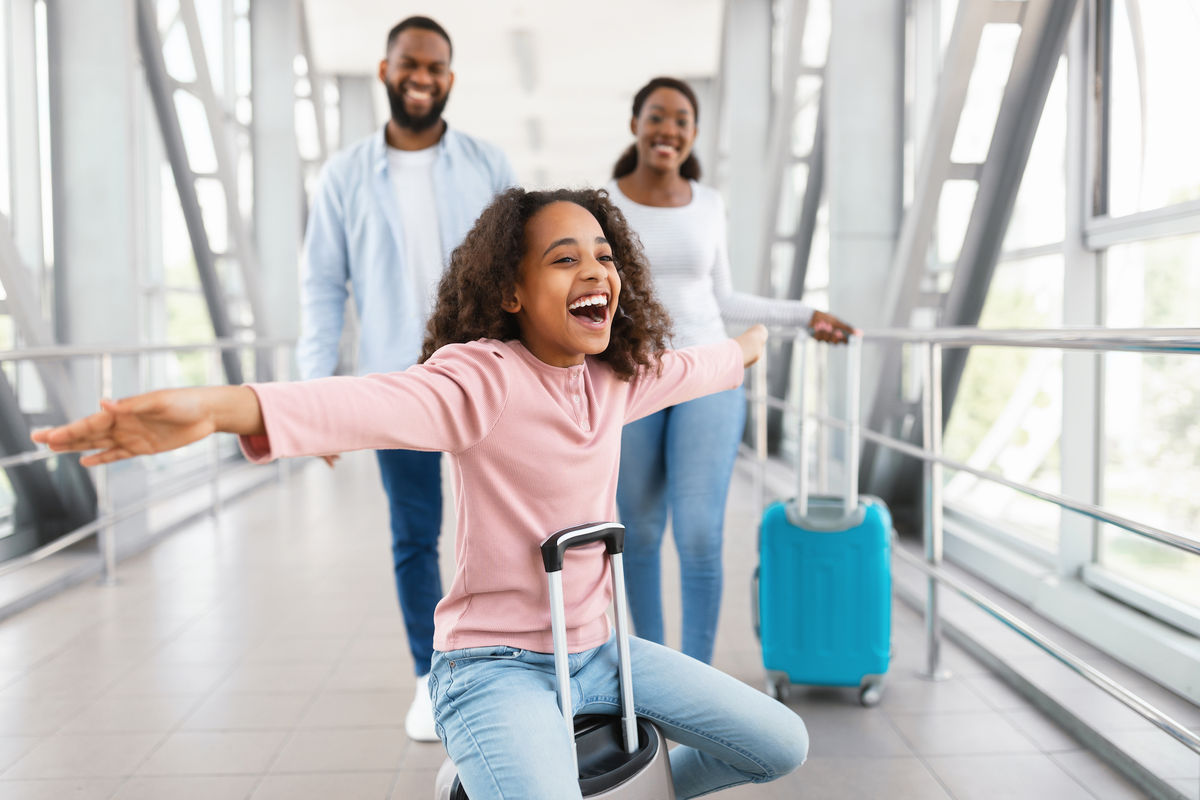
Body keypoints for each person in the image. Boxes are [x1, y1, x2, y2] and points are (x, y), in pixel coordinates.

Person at [33, 188, 809, 800]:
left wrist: (750, 345)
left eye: (604, 257)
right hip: (494, 667)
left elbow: (701, 366)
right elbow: (367, 401)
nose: (595, 273)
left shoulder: (613, 379)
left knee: (781, 745)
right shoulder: (480, 378)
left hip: (602, 657)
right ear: (512, 290)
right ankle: (482, 780)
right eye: (564, 259)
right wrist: (216, 407)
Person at [297, 15, 516, 740]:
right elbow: (324, 286)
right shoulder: (345, 174)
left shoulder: (488, 164)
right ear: (386, 71)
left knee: (509, 529)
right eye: (409, 65)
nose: (422, 78)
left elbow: (527, 264)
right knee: (416, 533)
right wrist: (313, 395)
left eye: (436, 68)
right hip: (400, 382)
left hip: (489, 371)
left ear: (449, 79)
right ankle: (431, 679)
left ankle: (515, 669)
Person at [607, 77, 858, 664]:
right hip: (633, 380)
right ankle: (651, 674)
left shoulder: (709, 203)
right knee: (639, 534)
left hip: (709, 374)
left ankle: (696, 680)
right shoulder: (603, 204)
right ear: (636, 124)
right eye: (656, 116)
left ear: (693, 133)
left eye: (681, 120)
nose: (668, 129)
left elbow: (724, 299)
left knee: (698, 533)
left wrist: (805, 315)